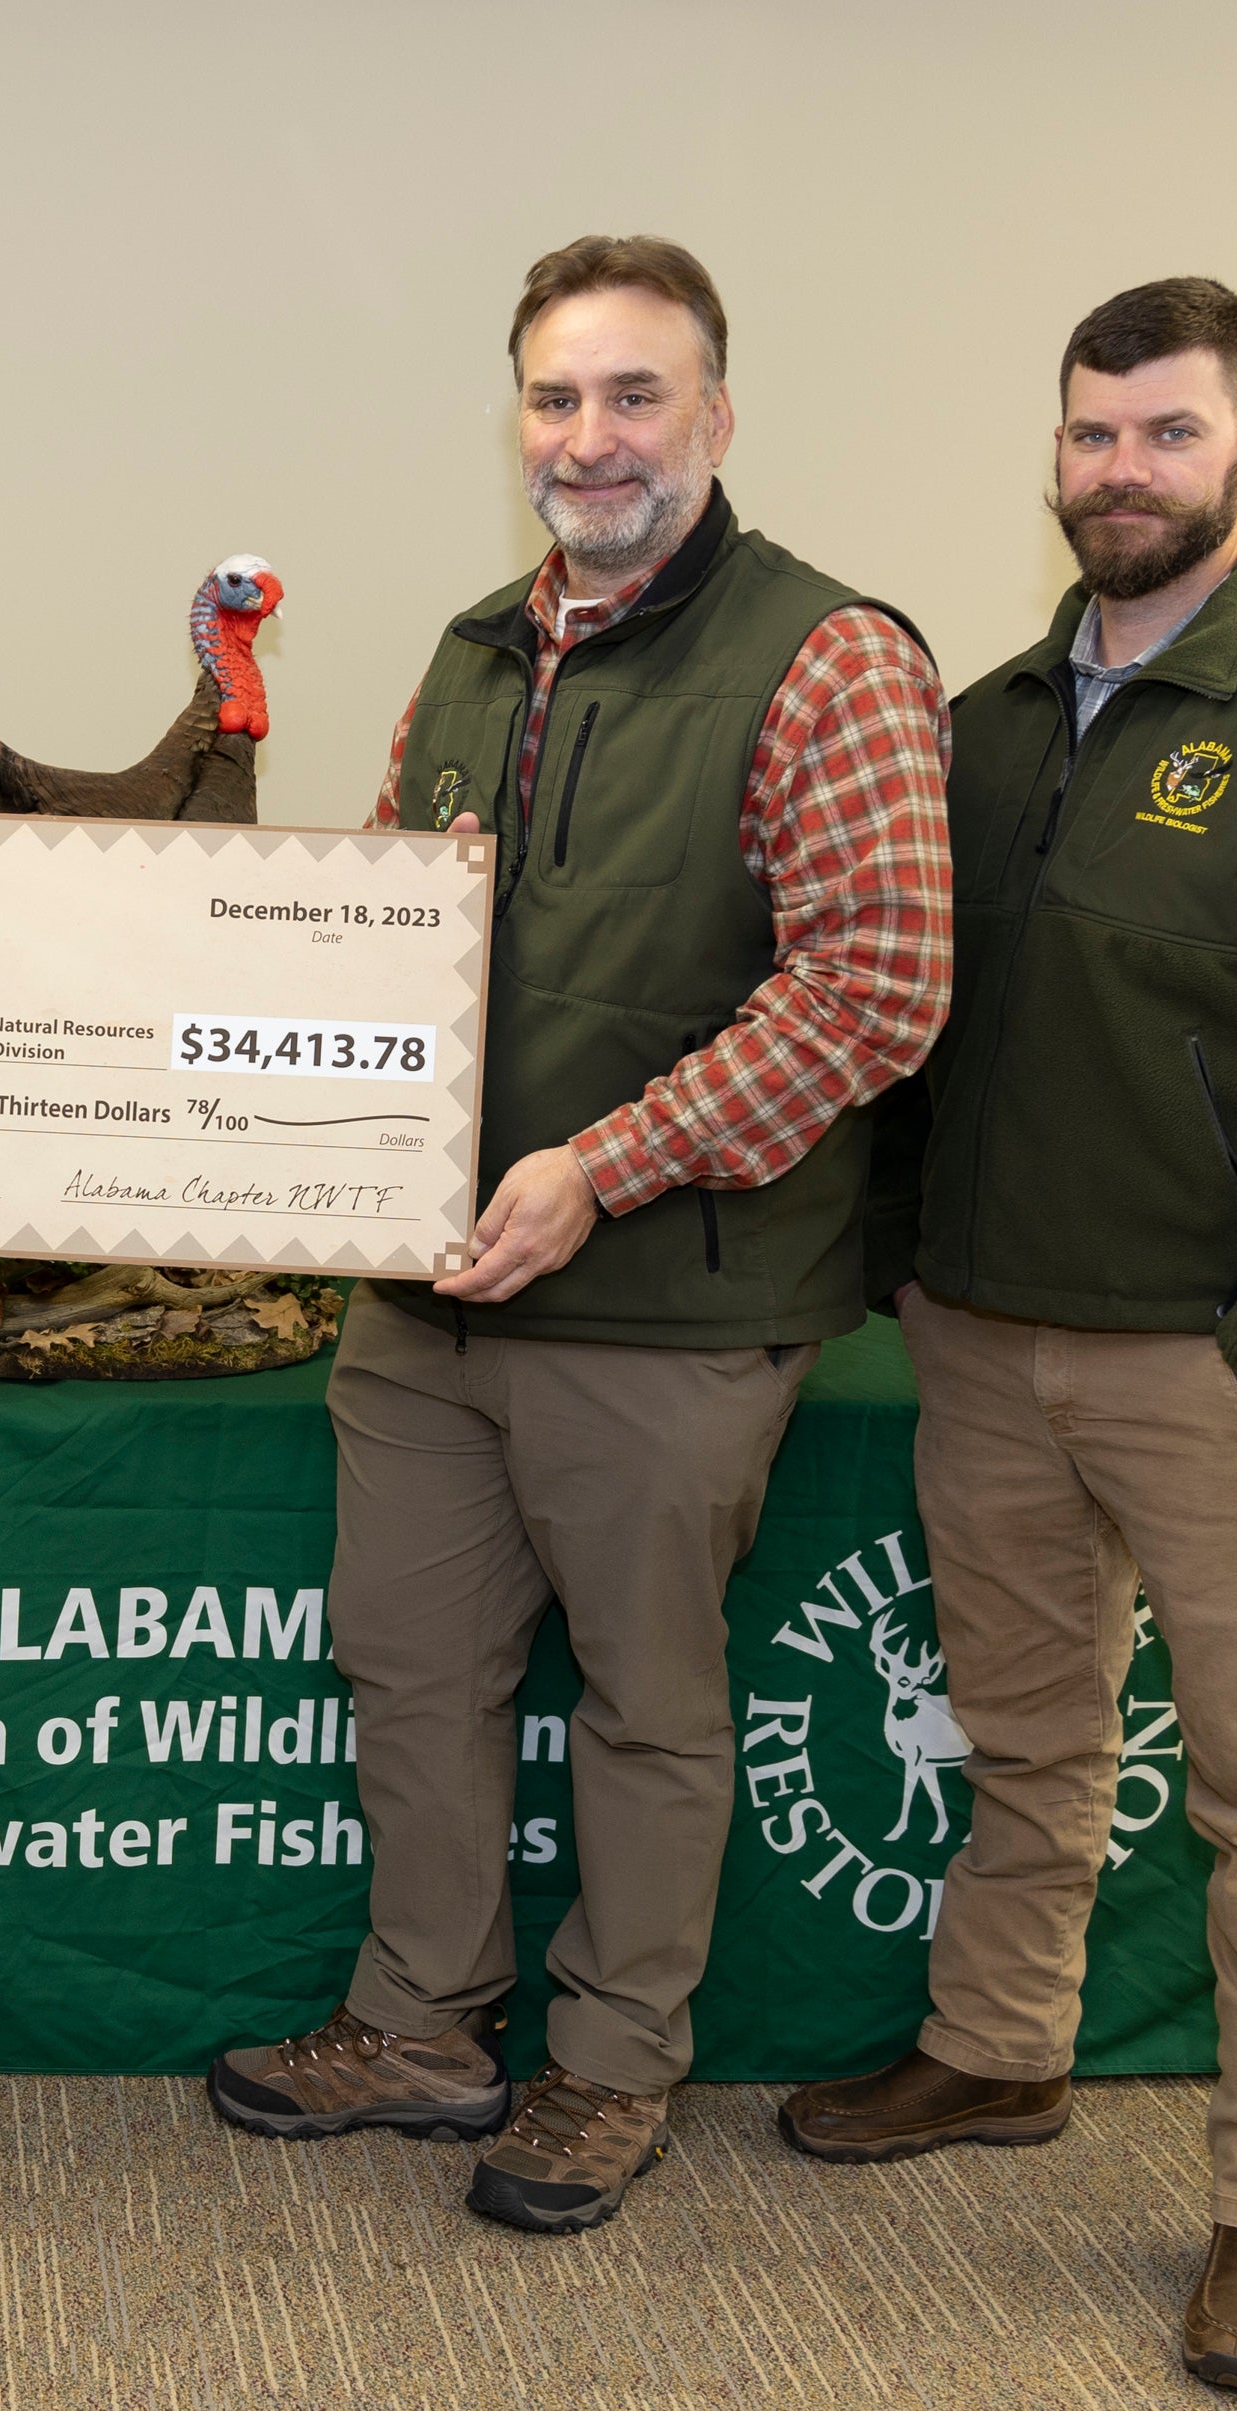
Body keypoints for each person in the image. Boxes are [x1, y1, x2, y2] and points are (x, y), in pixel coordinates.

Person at [777, 279, 1237, 2396]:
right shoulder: (993, 719)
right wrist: (913, 1260)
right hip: (991, 1345)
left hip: (1217, 1370)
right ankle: (998, 2048)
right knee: (1028, 1741)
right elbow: (918, 1025)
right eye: (1093, 435)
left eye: (1168, 436)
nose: (1123, 470)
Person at [210, 237, 954, 2233]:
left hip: (664, 1306)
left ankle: (616, 2061)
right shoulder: (469, 651)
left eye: (637, 396)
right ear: (514, 420)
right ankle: (424, 2022)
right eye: (557, 397)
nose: (592, 435)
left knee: (643, 1695)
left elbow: (877, 985)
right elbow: (386, 930)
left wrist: (600, 1165)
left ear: (715, 415)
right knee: (414, 1671)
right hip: (428, 1290)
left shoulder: (829, 658)